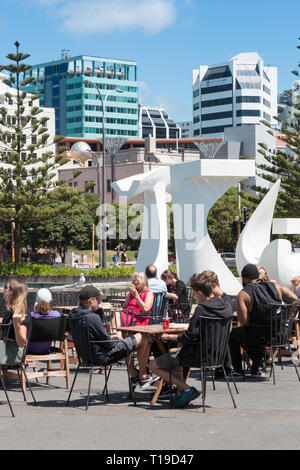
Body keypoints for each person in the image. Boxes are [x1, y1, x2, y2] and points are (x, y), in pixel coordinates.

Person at [149, 272, 233, 408]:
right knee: (174, 352)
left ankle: (187, 388)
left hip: (199, 356)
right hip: (218, 355)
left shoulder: (201, 309)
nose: (194, 297)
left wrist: (170, 336)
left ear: (199, 292)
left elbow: (190, 336)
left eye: (194, 293)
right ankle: (181, 393)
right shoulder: (226, 305)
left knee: (153, 365)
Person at [68, 285, 158, 389]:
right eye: (98, 300)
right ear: (91, 300)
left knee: (124, 343)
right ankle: (143, 377)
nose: (99, 303)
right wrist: (116, 339)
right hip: (103, 356)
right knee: (143, 337)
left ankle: (134, 376)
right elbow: (108, 344)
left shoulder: (72, 316)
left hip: (86, 357)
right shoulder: (92, 317)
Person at [229, 263, 299, 379]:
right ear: (258, 276)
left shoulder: (243, 294)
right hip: (279, 335)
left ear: (245, 278)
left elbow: (244, 322)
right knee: (258, 332)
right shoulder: (275, 286)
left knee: (234, 335)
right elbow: (294, 299)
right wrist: (285, 317)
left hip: (258, 337)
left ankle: (238, 370)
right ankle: (255, 370)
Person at [0, 280, 32, 365]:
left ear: (13, 293)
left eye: (6, 287)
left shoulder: (21, 313)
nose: (4, 289)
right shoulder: (11, 311)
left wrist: (16, 325)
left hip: (13, 353)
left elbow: (22, 343)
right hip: (4, 347)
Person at [27, 288, 61, 354]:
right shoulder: (56, 315)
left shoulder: (30, 316)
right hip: (47, 349)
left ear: (36, 300)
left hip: (30, 349)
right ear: (51, 300)